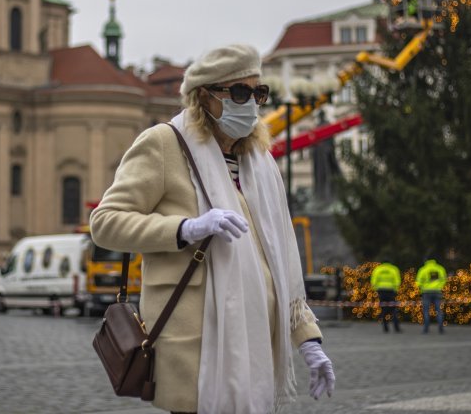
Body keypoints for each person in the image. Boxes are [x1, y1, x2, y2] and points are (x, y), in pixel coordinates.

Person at [90, 44, 335, 413]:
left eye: (258, 92)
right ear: (204, 96)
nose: (251, 102)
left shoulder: (261, 163)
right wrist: (184, 229)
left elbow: (281, 261)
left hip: (257, 352)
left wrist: (308, 340)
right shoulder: (164, 144)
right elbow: (105, 222)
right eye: (239, 92)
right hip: (195, 354)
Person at [416, 257, 446, 334]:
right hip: (437, 292)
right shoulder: (440, 268)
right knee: (438, 311)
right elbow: (444, 280)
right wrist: (439, 287)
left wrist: (422, 288)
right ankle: (441, 328)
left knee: (426, 311)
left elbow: (418, 282)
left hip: (426, 292)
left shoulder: (423, 269)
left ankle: (426, 329)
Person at [371, 261, 402, 333]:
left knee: (383, 309)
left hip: (381, 291)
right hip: (391, 291)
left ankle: (385, 327)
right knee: (393, 309)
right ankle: (396, 327)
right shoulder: (393, 269)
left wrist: (376, 289)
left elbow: (373, 281)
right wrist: (395, 290)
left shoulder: (378, 269)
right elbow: (397, 281)